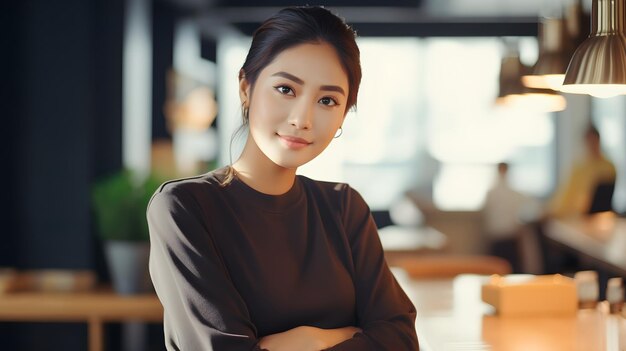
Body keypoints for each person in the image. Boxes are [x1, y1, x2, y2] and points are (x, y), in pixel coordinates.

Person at [147, 6, 419, 351]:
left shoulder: (343, 207)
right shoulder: (184, 207)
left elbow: (401, 338)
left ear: (343, 114)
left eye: (327, 100)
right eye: (286, 89)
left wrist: (311, 340)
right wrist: (350, 335)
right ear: (246, 87)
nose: (302, 119)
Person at [546, 124, 616, 218]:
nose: (591, 145)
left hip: (593, 216)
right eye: (589, 141)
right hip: (572, 214)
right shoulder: (578, 167)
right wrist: (553, 210)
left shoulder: (608, 167)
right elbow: (566, 195)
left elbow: (602, 198)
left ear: (598, 140)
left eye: (593, 141)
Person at [482, 162, 539, 273]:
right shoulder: (493, 193)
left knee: (505, 271)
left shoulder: (509, 194)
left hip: (509, 238)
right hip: (498, 238)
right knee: (499, 271)